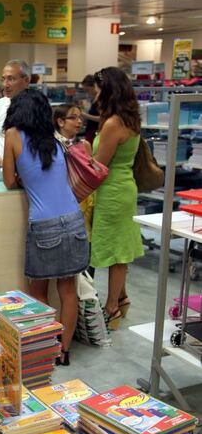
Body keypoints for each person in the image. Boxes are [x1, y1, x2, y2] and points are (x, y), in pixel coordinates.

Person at [3, 89, 89, 365]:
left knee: (38, 290)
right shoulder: (54, 139)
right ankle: (63, 352)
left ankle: (45, 346)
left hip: (44, 224)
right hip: (74, 220)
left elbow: (7, 180)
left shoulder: (13, 136)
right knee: (67, 290)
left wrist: (21, 176)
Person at [91, 67, 144, 329]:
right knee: (121, 248)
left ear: (108, 90)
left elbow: (99, 166)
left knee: (114, 252)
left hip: (111, 191)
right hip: (124, 188)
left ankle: (111, 308)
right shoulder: (130, 120)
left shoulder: (112, 124)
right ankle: (121, 299)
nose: (95, 94)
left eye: (98, 88)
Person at [53, 103, 94, 240]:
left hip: (81, 200)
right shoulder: (50, 145)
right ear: (60, 122)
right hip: (57, 201)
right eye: (74, 117)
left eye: (80, 117)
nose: (79, 121)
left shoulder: (84, 145)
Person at [0, 60, 30, 166]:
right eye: (3, 79)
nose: (5, 84)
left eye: (11, 79)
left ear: (26, 80)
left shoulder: (37, 106)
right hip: (2, 170)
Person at [81, 74, 100, 146]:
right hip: (90, 130)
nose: (87, 92)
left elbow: (102, 118)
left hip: (95, 131)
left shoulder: (100, 99)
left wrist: (85, 115)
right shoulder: (94, 98)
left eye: (87, 90)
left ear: (94, 86)